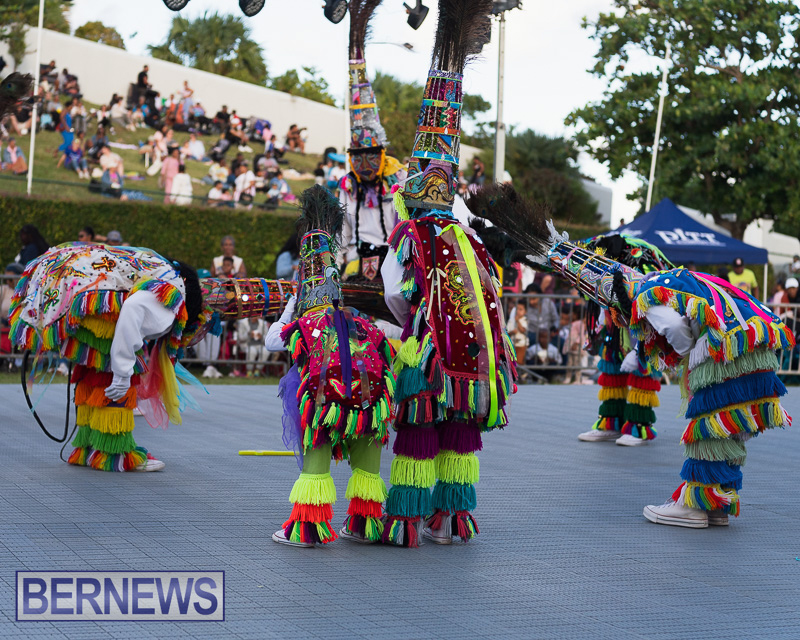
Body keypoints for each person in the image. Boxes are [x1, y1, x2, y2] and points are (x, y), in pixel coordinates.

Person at [380, 2, 512, 547]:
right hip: (478, 358)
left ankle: (407, 522)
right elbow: (494, 293)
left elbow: (395, 293)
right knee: (459, 433)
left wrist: (412, 329)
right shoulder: (471, 238)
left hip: (430, 351)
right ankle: (451, 521)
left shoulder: (409, 236)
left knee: (417, 434)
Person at [264, 185, 395, 546]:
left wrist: (290, 310)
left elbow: (272, 340)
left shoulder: (305, 323)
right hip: (370, 404)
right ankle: (365, 525)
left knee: (317, 458)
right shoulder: (361, 322)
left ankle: (308, 529)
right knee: (367, 463)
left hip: (325, 402)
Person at [10, 244, 214, 472]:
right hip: (92, 303)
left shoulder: (163, 270)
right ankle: (114, 454)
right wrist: (123, 373)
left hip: (61, 279)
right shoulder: (173, 296)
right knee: (114, 379)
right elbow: (133, 310)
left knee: (95, 371)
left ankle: (89, 448)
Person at [576, 234, 670, 446]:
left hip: (643, 330)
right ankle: (610, 423)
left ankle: (638, 427)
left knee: (642, 375)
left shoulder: (643, 264)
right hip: (614, 330)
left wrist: (638, 349)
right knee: (611, 374)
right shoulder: (601, 267)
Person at [337, 8, 405, 282]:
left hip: (395, 264)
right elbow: (342, 232)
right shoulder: (347, 185)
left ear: (382, 154)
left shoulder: (399, 179)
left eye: (371, 156)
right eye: (358, 157)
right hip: (357, 264)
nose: (364, 164)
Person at [506, 299, 529, 365]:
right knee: (512, 361)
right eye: (517, 309)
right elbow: (507, 332)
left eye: (520, 309)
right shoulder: (511, 320)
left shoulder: (525, 320)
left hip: (521, 345)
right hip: (512, 344)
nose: (518, 311)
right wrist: (512, 332)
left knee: (519, 362)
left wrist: (517, 321)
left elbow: (523, 330)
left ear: (525, 311)